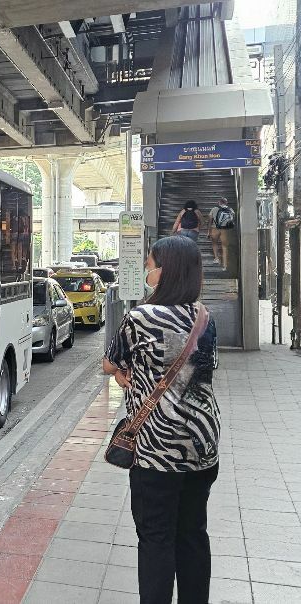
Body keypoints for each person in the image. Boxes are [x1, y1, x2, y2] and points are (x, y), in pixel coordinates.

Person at [102, 235, 220, 604]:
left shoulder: (140, 317)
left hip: (157, 448)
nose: (147, 273)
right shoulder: (205, 317)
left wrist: (124, 375)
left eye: (150, 266)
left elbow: (110, 361)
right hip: (202, 443)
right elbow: (202, 370)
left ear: (164, 272)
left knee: (156, 538)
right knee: (193, 534)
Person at [207, 197, 235, 271]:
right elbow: (232, 220)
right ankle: (224, 266)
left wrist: (208, 231)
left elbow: (210, 220)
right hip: (225, 230)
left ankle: (216, 258)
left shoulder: (214, 209)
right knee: (224, 247)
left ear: (219, 202)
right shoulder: (230, 209)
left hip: (215, 229)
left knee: (214, 243)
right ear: (226, 203)